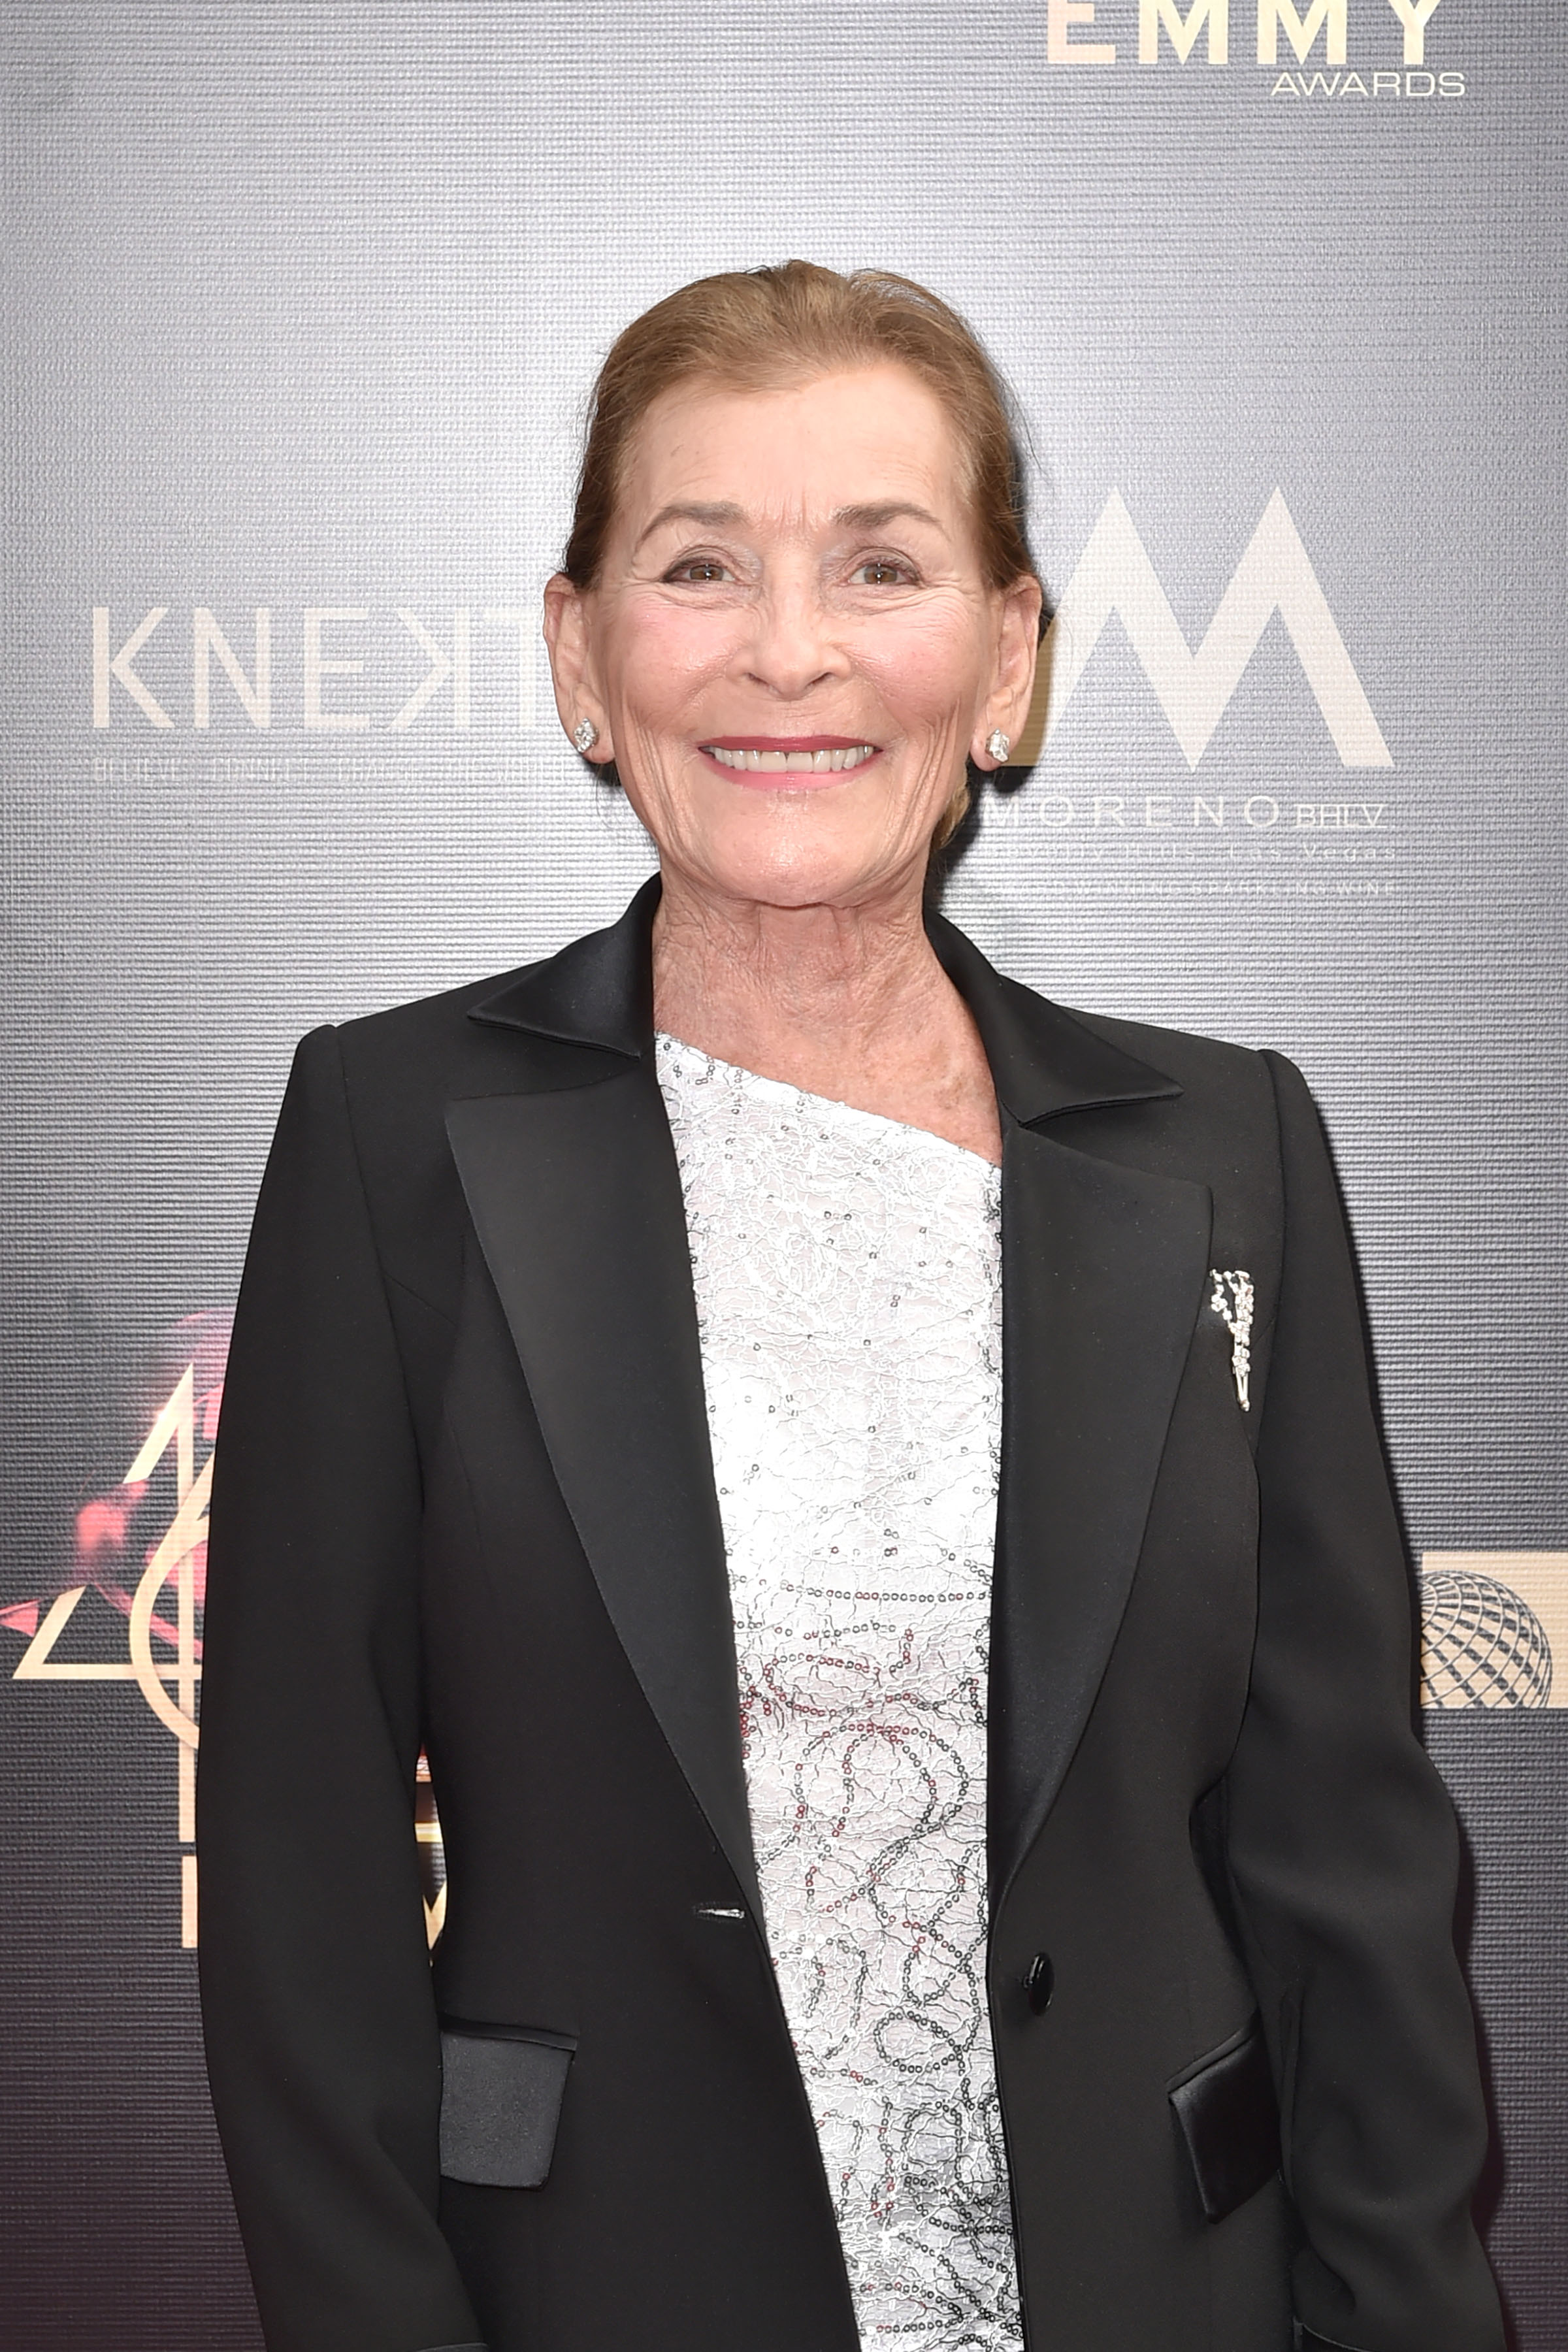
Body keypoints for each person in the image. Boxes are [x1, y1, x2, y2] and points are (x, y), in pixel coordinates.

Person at [198, 262, 1503, 2352]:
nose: (788, 652)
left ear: (1005, 661)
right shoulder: (392, 1133)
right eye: (699, 564)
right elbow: (298, 1880)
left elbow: (1346, 1860)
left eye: (879, 565)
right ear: (581, 654)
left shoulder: (1224, 1150)